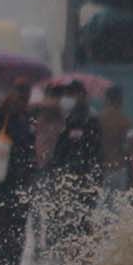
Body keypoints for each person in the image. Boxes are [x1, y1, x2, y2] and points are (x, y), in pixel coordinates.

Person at [0, 80, 39, 265]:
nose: (23, 99)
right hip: (0, 183)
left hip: (20, 186)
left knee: (15, 232)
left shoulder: (27, 119)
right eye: (20, 94)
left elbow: (30, 152)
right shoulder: (3, 116)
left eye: (26, 95)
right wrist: (6, 108)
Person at [46, 82, 104, 248]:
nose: (70, 99)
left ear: (82, 96)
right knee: (70, 216)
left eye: (73, 94)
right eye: (69, 95)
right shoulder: (69, 118)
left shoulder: (91, 119)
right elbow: (61, 148)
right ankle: (73, 248)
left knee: (83, 216)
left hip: (86, 176)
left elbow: (96, 149)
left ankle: (83, 249)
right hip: (71, 175)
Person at [98, 84, 133, 194]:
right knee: (118, 204)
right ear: (120, 100)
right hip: (119, 168)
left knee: (102, 203)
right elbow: (131, 147)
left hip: (102, 168)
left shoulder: (98, 120)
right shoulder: (125, 121)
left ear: (106, 99)